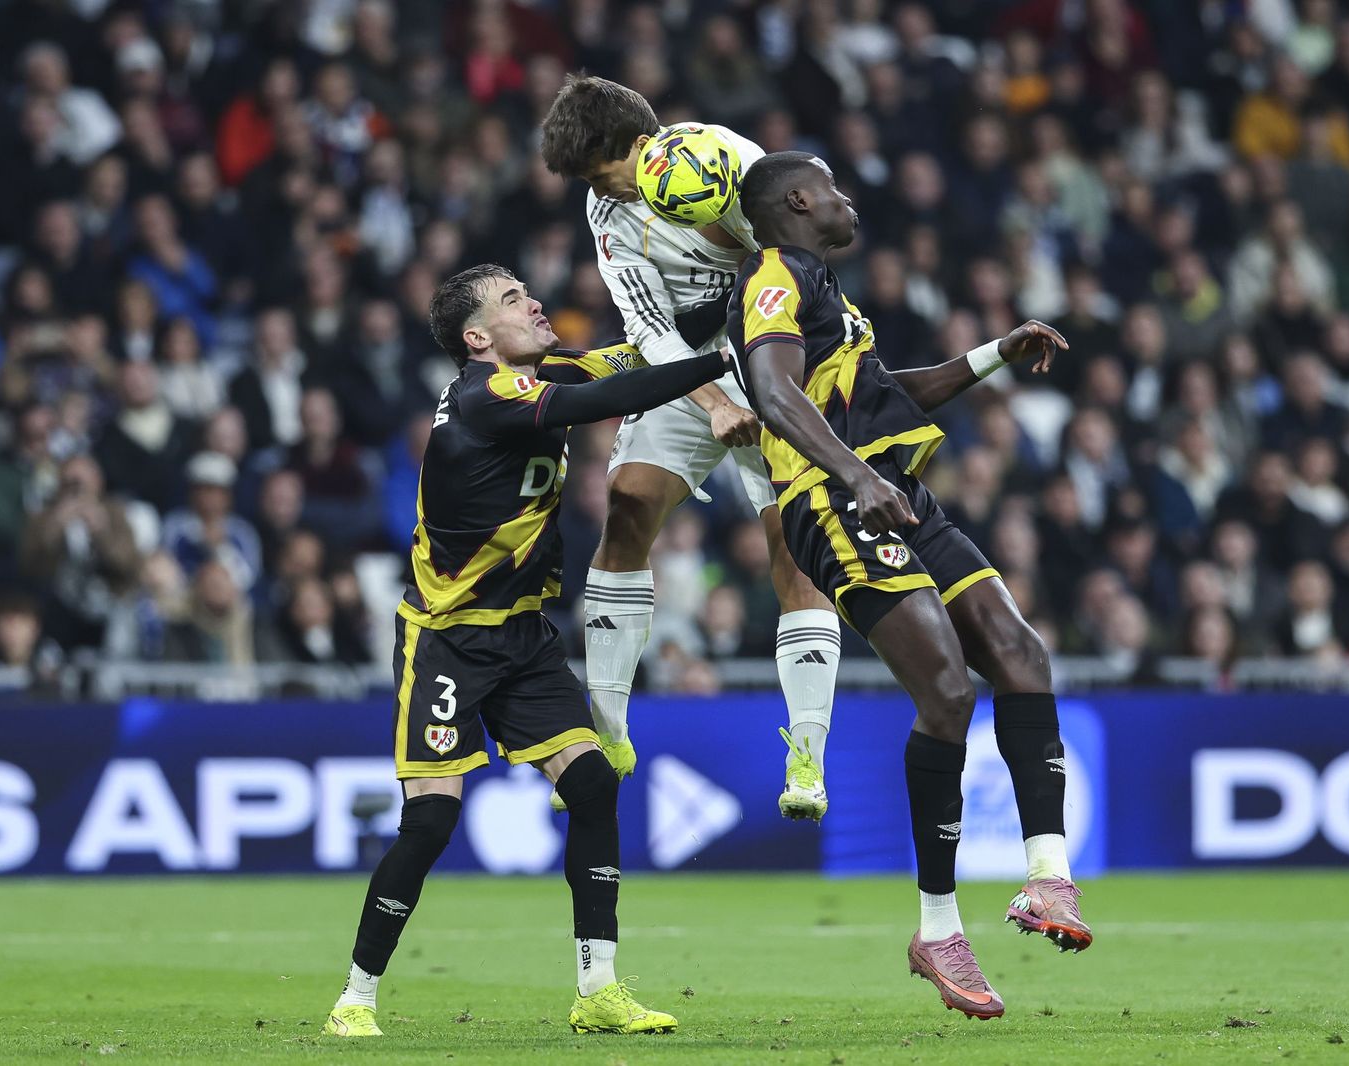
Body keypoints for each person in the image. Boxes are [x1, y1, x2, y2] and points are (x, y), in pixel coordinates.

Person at [727, 151, 1090, 1019]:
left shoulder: (829, 294)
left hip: (896, 495)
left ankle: (1048, 879)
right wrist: (854, 476)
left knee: (1020, 652)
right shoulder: (772, 280)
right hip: (833, 502)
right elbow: (774, 393)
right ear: (800, 200)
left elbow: (893, 394)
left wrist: (996, 353)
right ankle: (938, 927)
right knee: (947, 690)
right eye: (837, 189)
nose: (852, 202)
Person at [323, 265, 730, 1039]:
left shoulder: (539, 372)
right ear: (477, 338)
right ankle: (356, 996)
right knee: (432, 824)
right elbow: (599, 399)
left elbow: (633, 355)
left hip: (525, 636)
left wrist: (742, 304)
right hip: (448, 639)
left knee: (592, 784)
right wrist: (722, 367)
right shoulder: (485, 397)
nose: (535, 303)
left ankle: (598, 990)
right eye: (512, 300)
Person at [540, 75, 839, 822]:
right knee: (629, 501)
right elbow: (646, 323)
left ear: (637, 146)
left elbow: (801, 262)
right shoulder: (604, 208)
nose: (596, 190)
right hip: (691, 362)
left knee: (792, 542)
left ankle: (808, 755)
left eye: (599, 170)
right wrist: (711, 402)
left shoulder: (728, 162)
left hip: (777, 354)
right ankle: (606, 729)